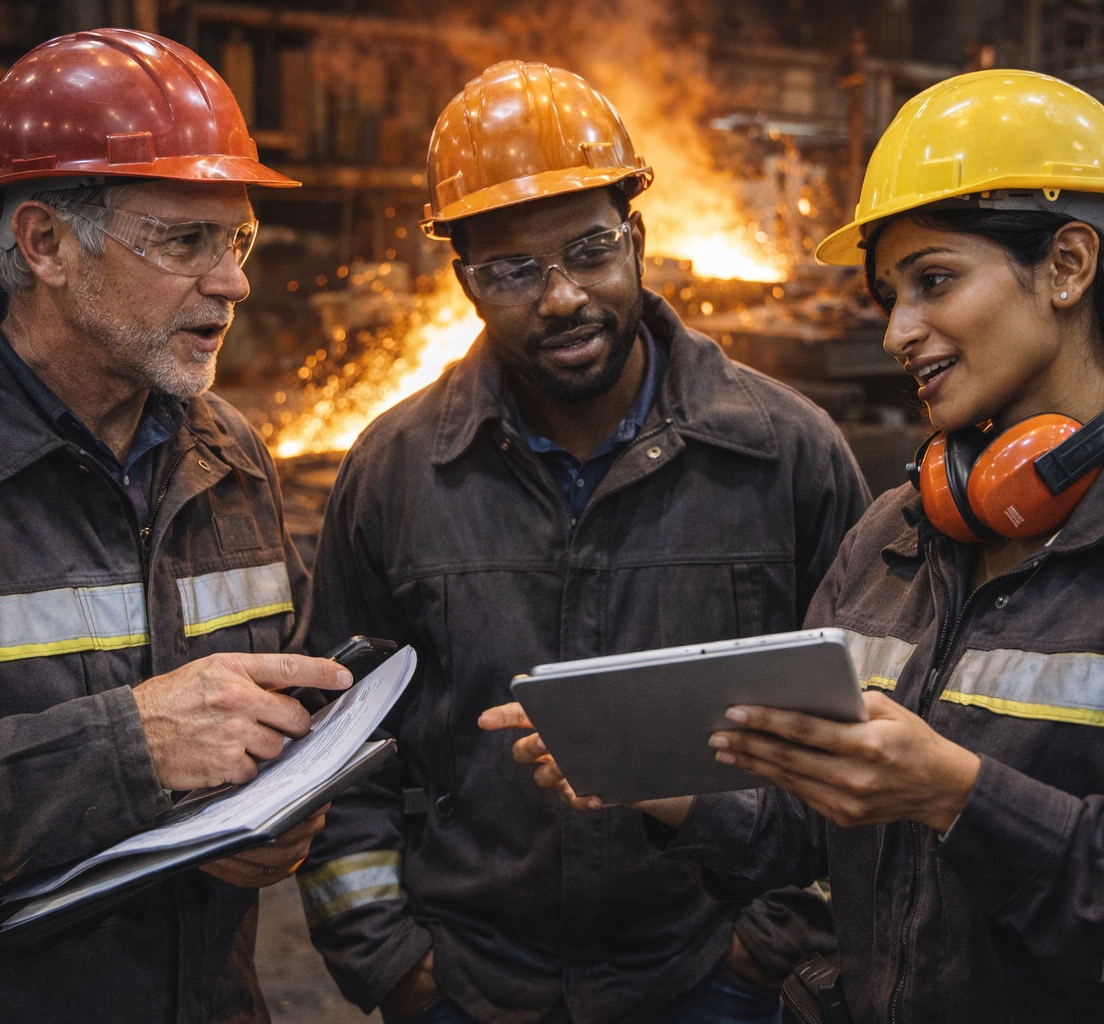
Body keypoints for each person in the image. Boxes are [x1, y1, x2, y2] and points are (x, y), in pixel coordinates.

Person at [493, 69, 1104, 1022]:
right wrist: (649, 775)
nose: (896, 332)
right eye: (889, 294)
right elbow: (820, 820)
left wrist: (966, 799)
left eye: (934, 281)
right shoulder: (898, 533)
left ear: (1068, 265)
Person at [0, 29, 353, 1022]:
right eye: (185, 241)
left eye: (238, 240)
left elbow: (267, 723)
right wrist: (127, 750)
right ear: (43, 243)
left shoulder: (229, 459)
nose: (234, 282)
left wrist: (284, 806)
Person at [299, 60, 868, 1024]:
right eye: (514, 270)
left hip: (710, 976)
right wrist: (395, 967)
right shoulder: (396, 473)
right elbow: (339, 750)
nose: (561, 297)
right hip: (470, 985)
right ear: (465, 282)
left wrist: (767, 950)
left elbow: (867, 732)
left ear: (638, 240)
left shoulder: (784, 455)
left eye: (590, 251)